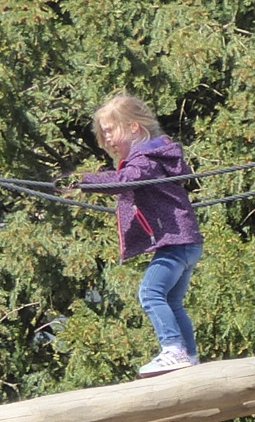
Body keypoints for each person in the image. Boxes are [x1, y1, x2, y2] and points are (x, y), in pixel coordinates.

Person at [74, 93, 203, 376]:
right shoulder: (157, 156)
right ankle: (190, 355)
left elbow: (125, 180)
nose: (107, 139)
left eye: (110, 131)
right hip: (187, 241)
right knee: (172, 301)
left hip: (175, 243)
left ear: (134, 127)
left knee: (150, 293)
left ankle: (173, 349)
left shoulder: (145, 159)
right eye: (104, 134)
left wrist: (84, 181)